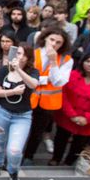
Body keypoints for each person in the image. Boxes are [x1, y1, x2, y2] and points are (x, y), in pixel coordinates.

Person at [0, 43, 39, 180]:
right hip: (2, 112)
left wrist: (19, 71)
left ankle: (13, 170)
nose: (18, 56)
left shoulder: (32, 71)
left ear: (27, 57)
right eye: (17, 53)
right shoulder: (4, 70)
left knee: (15, 150)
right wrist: (13, 92)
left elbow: (33, 85)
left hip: (22, 116)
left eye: (22, 54)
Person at [50, 53, 90, 166]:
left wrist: (87, 119)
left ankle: (68, 163)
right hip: (67, 116)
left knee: (79, 144)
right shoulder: (71, 75)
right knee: (60, 139)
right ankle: (56, 158)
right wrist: (72, 115)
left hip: (88, 121)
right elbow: (63, 96)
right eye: (88, 61)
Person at [22, 27, 73, 165]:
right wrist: (44, 80)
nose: (54, 44)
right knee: (22, 127)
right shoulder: (33, 53)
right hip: (29, 98)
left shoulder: (66, 60)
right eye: (52, 40)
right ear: (45, 38)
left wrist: (53, 62)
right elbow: (26, 74)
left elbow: (59, 81)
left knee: (38, 131)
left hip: (49, 102)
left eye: (58, 42)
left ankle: (29, 156)